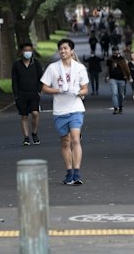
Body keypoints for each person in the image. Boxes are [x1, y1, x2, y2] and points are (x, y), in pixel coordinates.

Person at [41, 38, 89, 185]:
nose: (63, 51)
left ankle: (77, 172)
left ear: (71, 51)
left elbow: (85, 89)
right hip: (60, 110)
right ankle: (69, 172)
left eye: (65, 48)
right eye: (60, 49)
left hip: (75, 108)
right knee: (65, 142)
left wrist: (79, 92)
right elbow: (44, 88)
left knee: (75, 139)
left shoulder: (79, 68)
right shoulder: (53, 68)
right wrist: (58, 90)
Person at [12, 42, 44, 146]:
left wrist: (39, 90)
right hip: (21, 94)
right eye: (25, 50)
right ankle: (26, 137)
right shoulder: (17, 65)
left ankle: (34, 132)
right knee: (24, 115)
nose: (28, 52)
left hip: (34, 93)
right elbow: (14, 80)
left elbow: (41, 78)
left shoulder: (36, 64)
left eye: (29, 50)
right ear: (21, 52)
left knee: (35, 113)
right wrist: (16, 94)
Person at [105, 46, 131, 114]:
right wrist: (107, 76)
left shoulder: (122, 59)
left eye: (116, 52)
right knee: (114, 93)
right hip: (113, 78)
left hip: (122, 79)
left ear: (118, 51)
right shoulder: (109, 59)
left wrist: (129, 76)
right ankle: (116, 108)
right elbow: (108, 68)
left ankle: (121, 107)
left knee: (121, 94)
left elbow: (126, 68)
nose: (115, 53)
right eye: (114, 52)